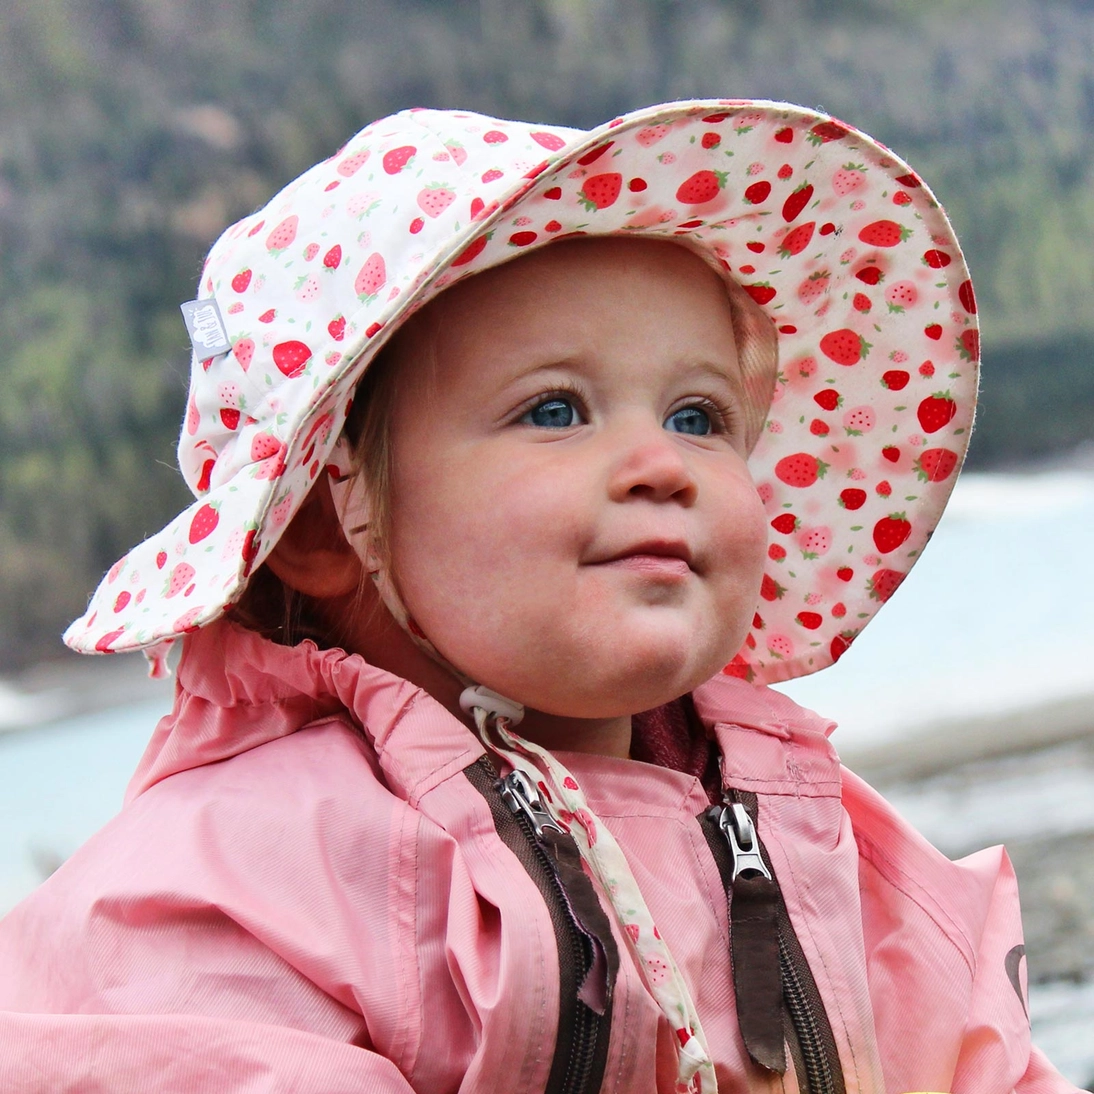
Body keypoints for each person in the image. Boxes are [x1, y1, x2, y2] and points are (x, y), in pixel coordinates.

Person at [0, 101, 1077, 1093]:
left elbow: (972, 1053)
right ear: (332, 524)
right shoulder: (228, 889)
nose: (660, 461)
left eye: (698, 416)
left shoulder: (803, 824)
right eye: (555, 409)